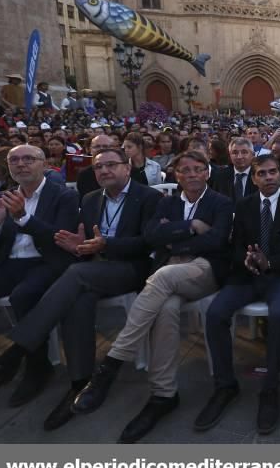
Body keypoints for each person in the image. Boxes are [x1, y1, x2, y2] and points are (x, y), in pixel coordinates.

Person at [70, 151, 233, 443]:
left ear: (207, 173)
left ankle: (111, 364)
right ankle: (163, 394)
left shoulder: (220, 202)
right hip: (171, 268)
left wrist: (173, 236)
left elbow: (217, 241)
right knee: (166, 308)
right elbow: (150, 237)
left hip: (205, 270)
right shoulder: (166, 201)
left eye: (199, 169)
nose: (193, 174)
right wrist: (191, 226)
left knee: (159, 278)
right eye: (186, 170)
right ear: (177, 175)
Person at [0, 148, 161, 428]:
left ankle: (17, 349)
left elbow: (149, 243)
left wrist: (106, 245)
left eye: (111, 165)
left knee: (76, 274)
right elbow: (82, 244)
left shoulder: (149, 197)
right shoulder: (91, 198)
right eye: (99, 167)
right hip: (94, 268)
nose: (104, 171)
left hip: (131, 269)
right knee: (78, 298)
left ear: (128, 167)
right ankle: (80, 382)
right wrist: (78, 246)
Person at [198, 155, 280, 434]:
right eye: (262, 173)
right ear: (255, 178)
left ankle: (270, 389)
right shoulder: (244, 205)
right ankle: (225, 385)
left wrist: (270, 263)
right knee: (215, 314)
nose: (269, 177)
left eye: (273, 172)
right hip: (246, 277)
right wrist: (246, 260)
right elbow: (235, 247)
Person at [0, 145, 79, 403]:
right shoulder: (5, 196)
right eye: (14, 160)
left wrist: (22, 218)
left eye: (28, 159)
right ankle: (12, 361)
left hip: (46, 262)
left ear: (44, 164)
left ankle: (37, 366)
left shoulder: (62, 196)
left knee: (23, 296)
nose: (21, 164)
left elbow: (60, 238)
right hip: (9, 262)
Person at [212, 137, 257, 203]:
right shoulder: (220, 176)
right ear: (230, 155)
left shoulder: (259, 175)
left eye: (244, 152)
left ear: (253, 155)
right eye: (235, 153)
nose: (239, 157)